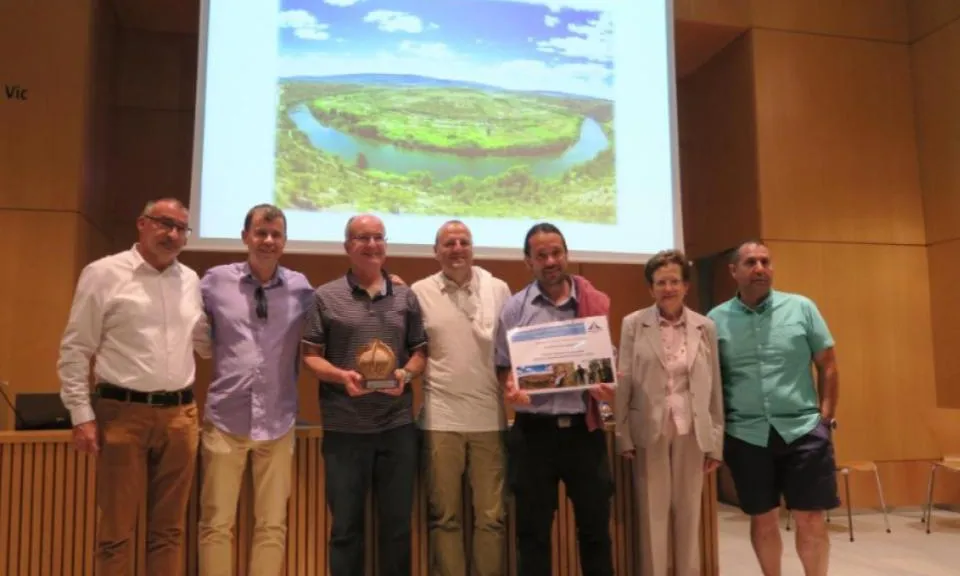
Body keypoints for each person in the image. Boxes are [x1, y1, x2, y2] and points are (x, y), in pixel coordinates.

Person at [57, 198, 205, 576]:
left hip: (180, 416)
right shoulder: (103, 273)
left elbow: (202, 341)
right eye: (164, 223)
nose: (172, 234)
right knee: (116, 532)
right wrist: (81, 414)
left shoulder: (190, 280)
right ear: (142, 224)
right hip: (122, 414)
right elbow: (76, 348)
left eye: (180, 228)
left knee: (169, 531)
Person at [301, 214, 428, 576]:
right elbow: (310, 356)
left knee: (397, 529)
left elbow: (421, 352)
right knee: (345, 530)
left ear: (385, 244)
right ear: (347, 247)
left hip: (397, 428)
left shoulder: (406, 297)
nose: (371, 244)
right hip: (345, 430)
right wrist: (342, 377)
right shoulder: (325, 296)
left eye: (378, 237)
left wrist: (404, 373)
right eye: (362, 238)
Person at [708, 240, 839, 576]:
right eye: (750, 262)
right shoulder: (714, 320)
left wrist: (824, 418)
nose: (760, 269)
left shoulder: (802, 308)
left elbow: (828, 364)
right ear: (733, 271)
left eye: (765, 261)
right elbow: (709, 381)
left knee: (810, 517)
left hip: (803, 431)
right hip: (746, 434)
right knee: (762, 518)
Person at [195, 204, 314, 575]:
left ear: (284, 241)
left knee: (273, 525)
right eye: (261, 233)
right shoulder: (215, 280)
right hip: (224, 420)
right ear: (245, 236)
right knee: (215, 523)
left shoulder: (301, 288)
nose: (268, 241)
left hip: (278, 422)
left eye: (276, 234)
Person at [494, 222, 616, 576]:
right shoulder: (515, 308)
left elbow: (606, 362)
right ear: (527, 261)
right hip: (534, 434)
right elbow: (503, 365)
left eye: (556, 252)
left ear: (567, 255)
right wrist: (511, 386)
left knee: (595, 532)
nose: (550, 261)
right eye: (541, 255)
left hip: (584, 432)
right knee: (532, 535)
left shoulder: (593, 303)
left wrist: (607, 387)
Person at [411, 220, 512, 576]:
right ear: (435, 251)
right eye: (448, 243)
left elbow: (512, 351)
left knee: (492, 519)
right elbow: (414, 351)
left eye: (463, 242)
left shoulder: (498, 289)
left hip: (489, 420)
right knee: (444, 518)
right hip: (441, 421)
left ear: (472, 248)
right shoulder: (418, 292)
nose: (457, 249)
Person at [614, 249, 724, 576]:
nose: (668, 288)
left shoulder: (706, 327)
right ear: (651, 288)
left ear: (685, 286)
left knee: (690, 512)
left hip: (692, 429)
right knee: (653, 514)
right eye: (660, 282)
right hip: (650, 428)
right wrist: (623, 435)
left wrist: (715, 441)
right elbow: (625, 380)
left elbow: (715, 387)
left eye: (674, 281)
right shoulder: (634, 324)